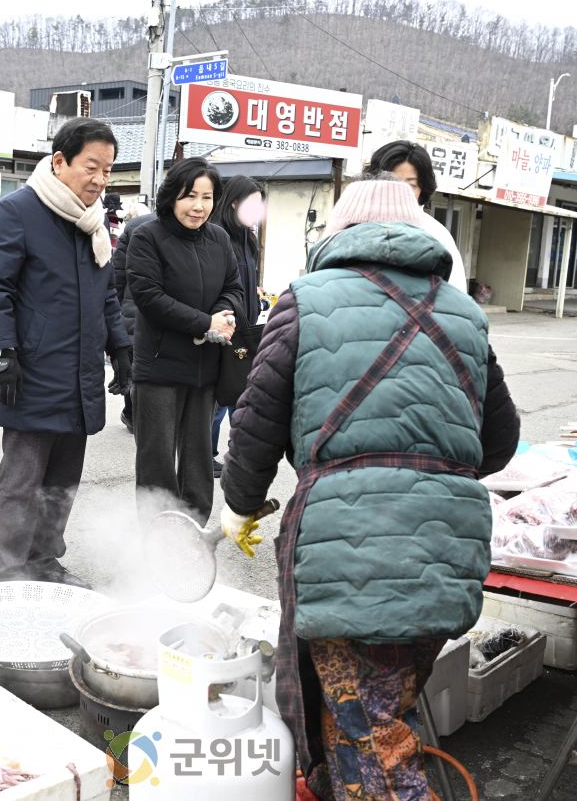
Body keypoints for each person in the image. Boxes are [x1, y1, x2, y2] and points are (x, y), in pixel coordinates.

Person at [219, 175, 519, 801]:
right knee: (375, 719)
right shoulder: (465, 312)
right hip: (446, 552)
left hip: (345, 552)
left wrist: (241, 506)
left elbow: (254, 425)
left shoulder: (306, 298)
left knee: (375, 743)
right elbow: (499, 442)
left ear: (338, 234)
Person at [0, 118, 131, 588]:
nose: (101, 180)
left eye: (108, 170)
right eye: (92, 167)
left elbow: (105, 293)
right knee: (22, 481)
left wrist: (120, 346)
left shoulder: (92, 220)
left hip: (81, 371)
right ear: (60, 162)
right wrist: (3, 353)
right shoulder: (16, 212)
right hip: (33, 370)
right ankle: (8, 571)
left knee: (63, 479)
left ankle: (45, 561)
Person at [128, 157, 244, 524]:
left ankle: (194, 527)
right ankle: (157, 533)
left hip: (206, 367)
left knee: (198, 455)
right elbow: (149, 297)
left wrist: (224, 316)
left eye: (207, 197)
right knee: (157, 457)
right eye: (189, 195)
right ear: (172, 197)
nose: (199, 206)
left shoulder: (220, 238)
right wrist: (203, 323)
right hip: (160, 365)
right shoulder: (148, 235)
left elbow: (234, 287)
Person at [208, 175, 265, 477]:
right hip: (226, 327)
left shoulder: (248, 240)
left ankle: (237, 453)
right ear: (233, 202)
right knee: (223, 395)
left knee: (242, 394)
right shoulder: (219, 237)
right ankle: (206, 455)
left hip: (248, 327)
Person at [361, 139, 468, 292]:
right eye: (392, 182)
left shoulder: (437, 236)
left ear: (422, 189)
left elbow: (456, 298)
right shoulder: (355, 225)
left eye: (411, 185)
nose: (401, 191)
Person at [111, 201, 155, 434]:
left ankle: (131, 413)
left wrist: (113, 312)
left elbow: (117, 275)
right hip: (137, 309)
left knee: (133, 364)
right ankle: (135, 415)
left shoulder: (135, 225)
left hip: (131, 307)